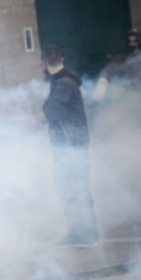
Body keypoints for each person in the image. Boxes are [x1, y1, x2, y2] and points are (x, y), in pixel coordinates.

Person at [41, 46, 99, 246]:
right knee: (73, 187)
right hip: (70, 144)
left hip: (70, 145)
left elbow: (50, 111)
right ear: (62, 59)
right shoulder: (65, 81)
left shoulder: (64, 83)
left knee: (73, 188)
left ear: (44, 64)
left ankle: (85, 232)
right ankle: (79, 231)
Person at [92, 27, 141, 101]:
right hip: (125, 94)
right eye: (130, 38)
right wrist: (102, 82)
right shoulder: (121, 58)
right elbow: (107, 70)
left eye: (134, 38)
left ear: (139, 40)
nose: (131, 41)